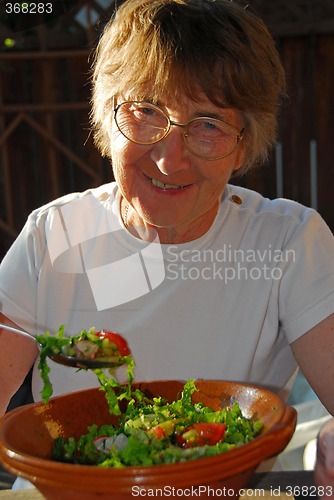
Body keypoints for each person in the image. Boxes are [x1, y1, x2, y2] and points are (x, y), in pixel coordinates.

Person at [0, 0, 334, 479]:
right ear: (106, 116)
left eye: (208, 125)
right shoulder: (53, 237)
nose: (168, 160)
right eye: (146, 110)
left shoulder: (287, 244)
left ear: (242, 147)